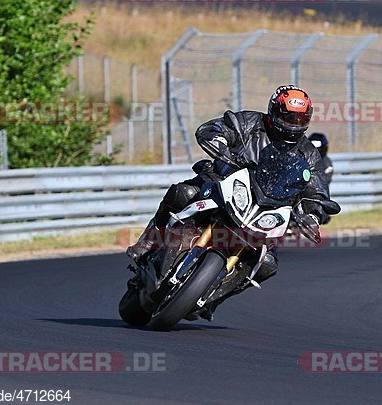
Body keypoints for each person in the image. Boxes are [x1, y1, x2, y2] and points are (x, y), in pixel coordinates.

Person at [127, 85, 334, 318]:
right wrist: (219, 144)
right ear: (275, 111)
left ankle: (213, 297)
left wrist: (314, 214)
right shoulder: (248, 122)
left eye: (299, 118)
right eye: (288, 116)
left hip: (267, 208)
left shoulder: (307, 152)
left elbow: (317, 189)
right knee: (181, 193)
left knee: (267, 264)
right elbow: (213, 129)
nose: (292, 123)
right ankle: (147, 242)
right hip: (222, 182)